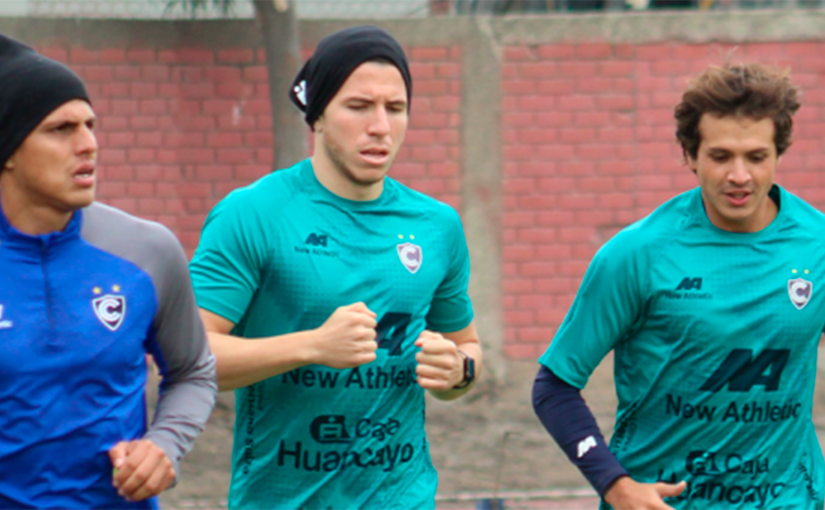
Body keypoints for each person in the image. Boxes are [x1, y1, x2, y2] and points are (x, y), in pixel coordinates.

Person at [189, 25, 482, 509]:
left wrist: (458, 373)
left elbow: (467, 348)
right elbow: (191, 360)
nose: (381, 127)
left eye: (395, 108)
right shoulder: (253, 213)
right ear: (318, 114)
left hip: (405, 498)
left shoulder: (437, 225)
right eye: (359, 106)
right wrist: (312, 346)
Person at [532, 62, 824, 509]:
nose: (740, 176)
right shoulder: (637, 254)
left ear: (779, 154)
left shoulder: (816, 246)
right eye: (721, 156)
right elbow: (553, 387)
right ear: (690, 154)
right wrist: (615, 485)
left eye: (756, 157)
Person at [0, 34, 217, 509]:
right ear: (8, 151)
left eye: (90, 125)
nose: (89, 145)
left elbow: (194, 371)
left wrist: (165, 445)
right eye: (61, 129)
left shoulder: (147, 250)